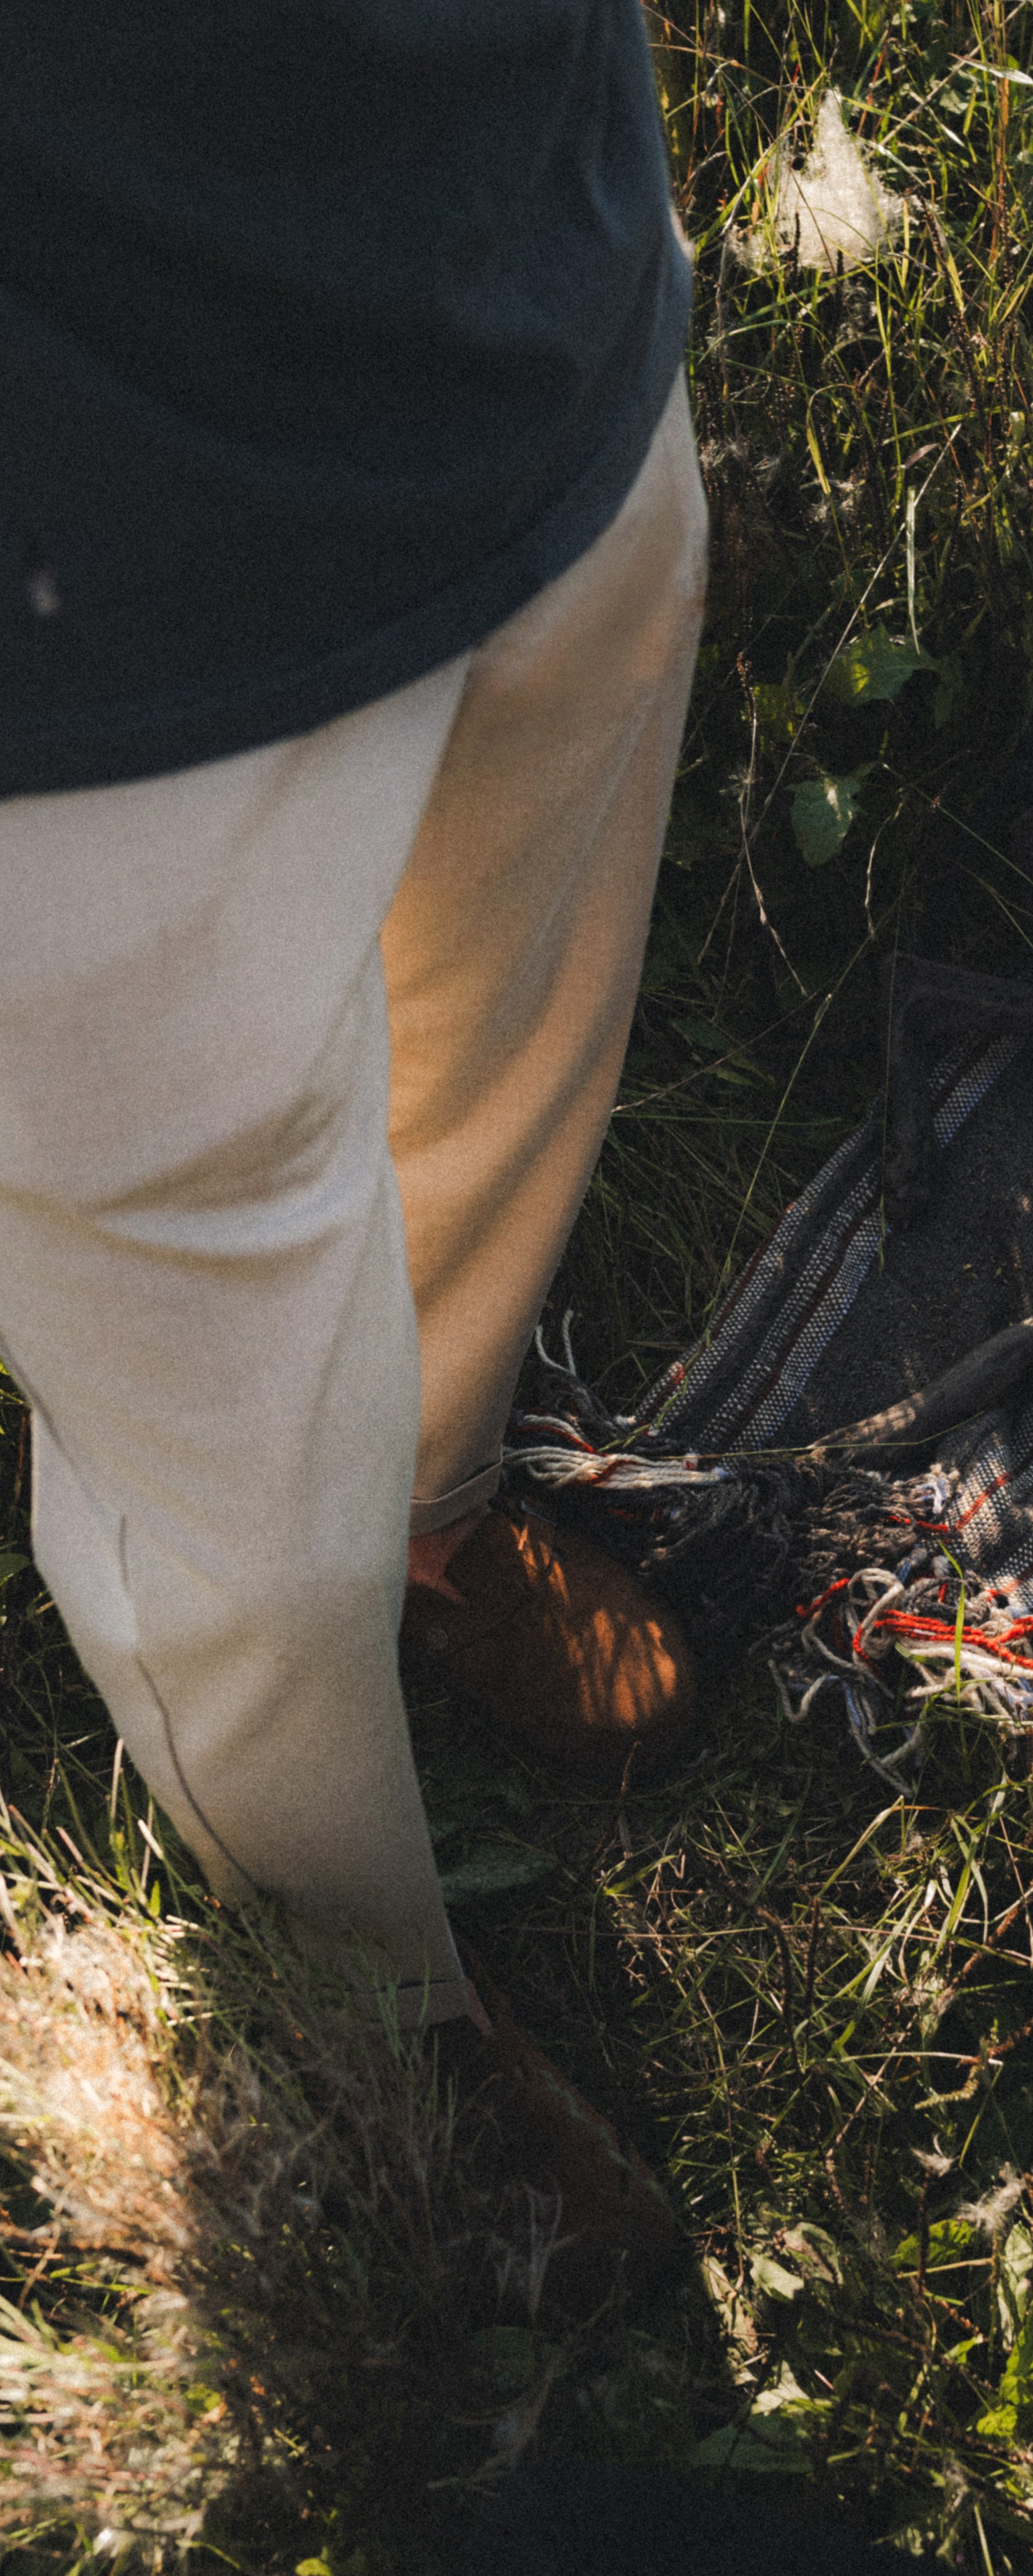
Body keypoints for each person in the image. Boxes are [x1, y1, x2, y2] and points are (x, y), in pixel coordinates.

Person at [0, 0, 704, 2284]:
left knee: (515, 1053)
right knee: (226, 1498)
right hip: (80, 610)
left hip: (533, 286)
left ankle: (442, 1498)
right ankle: (374, 1993)